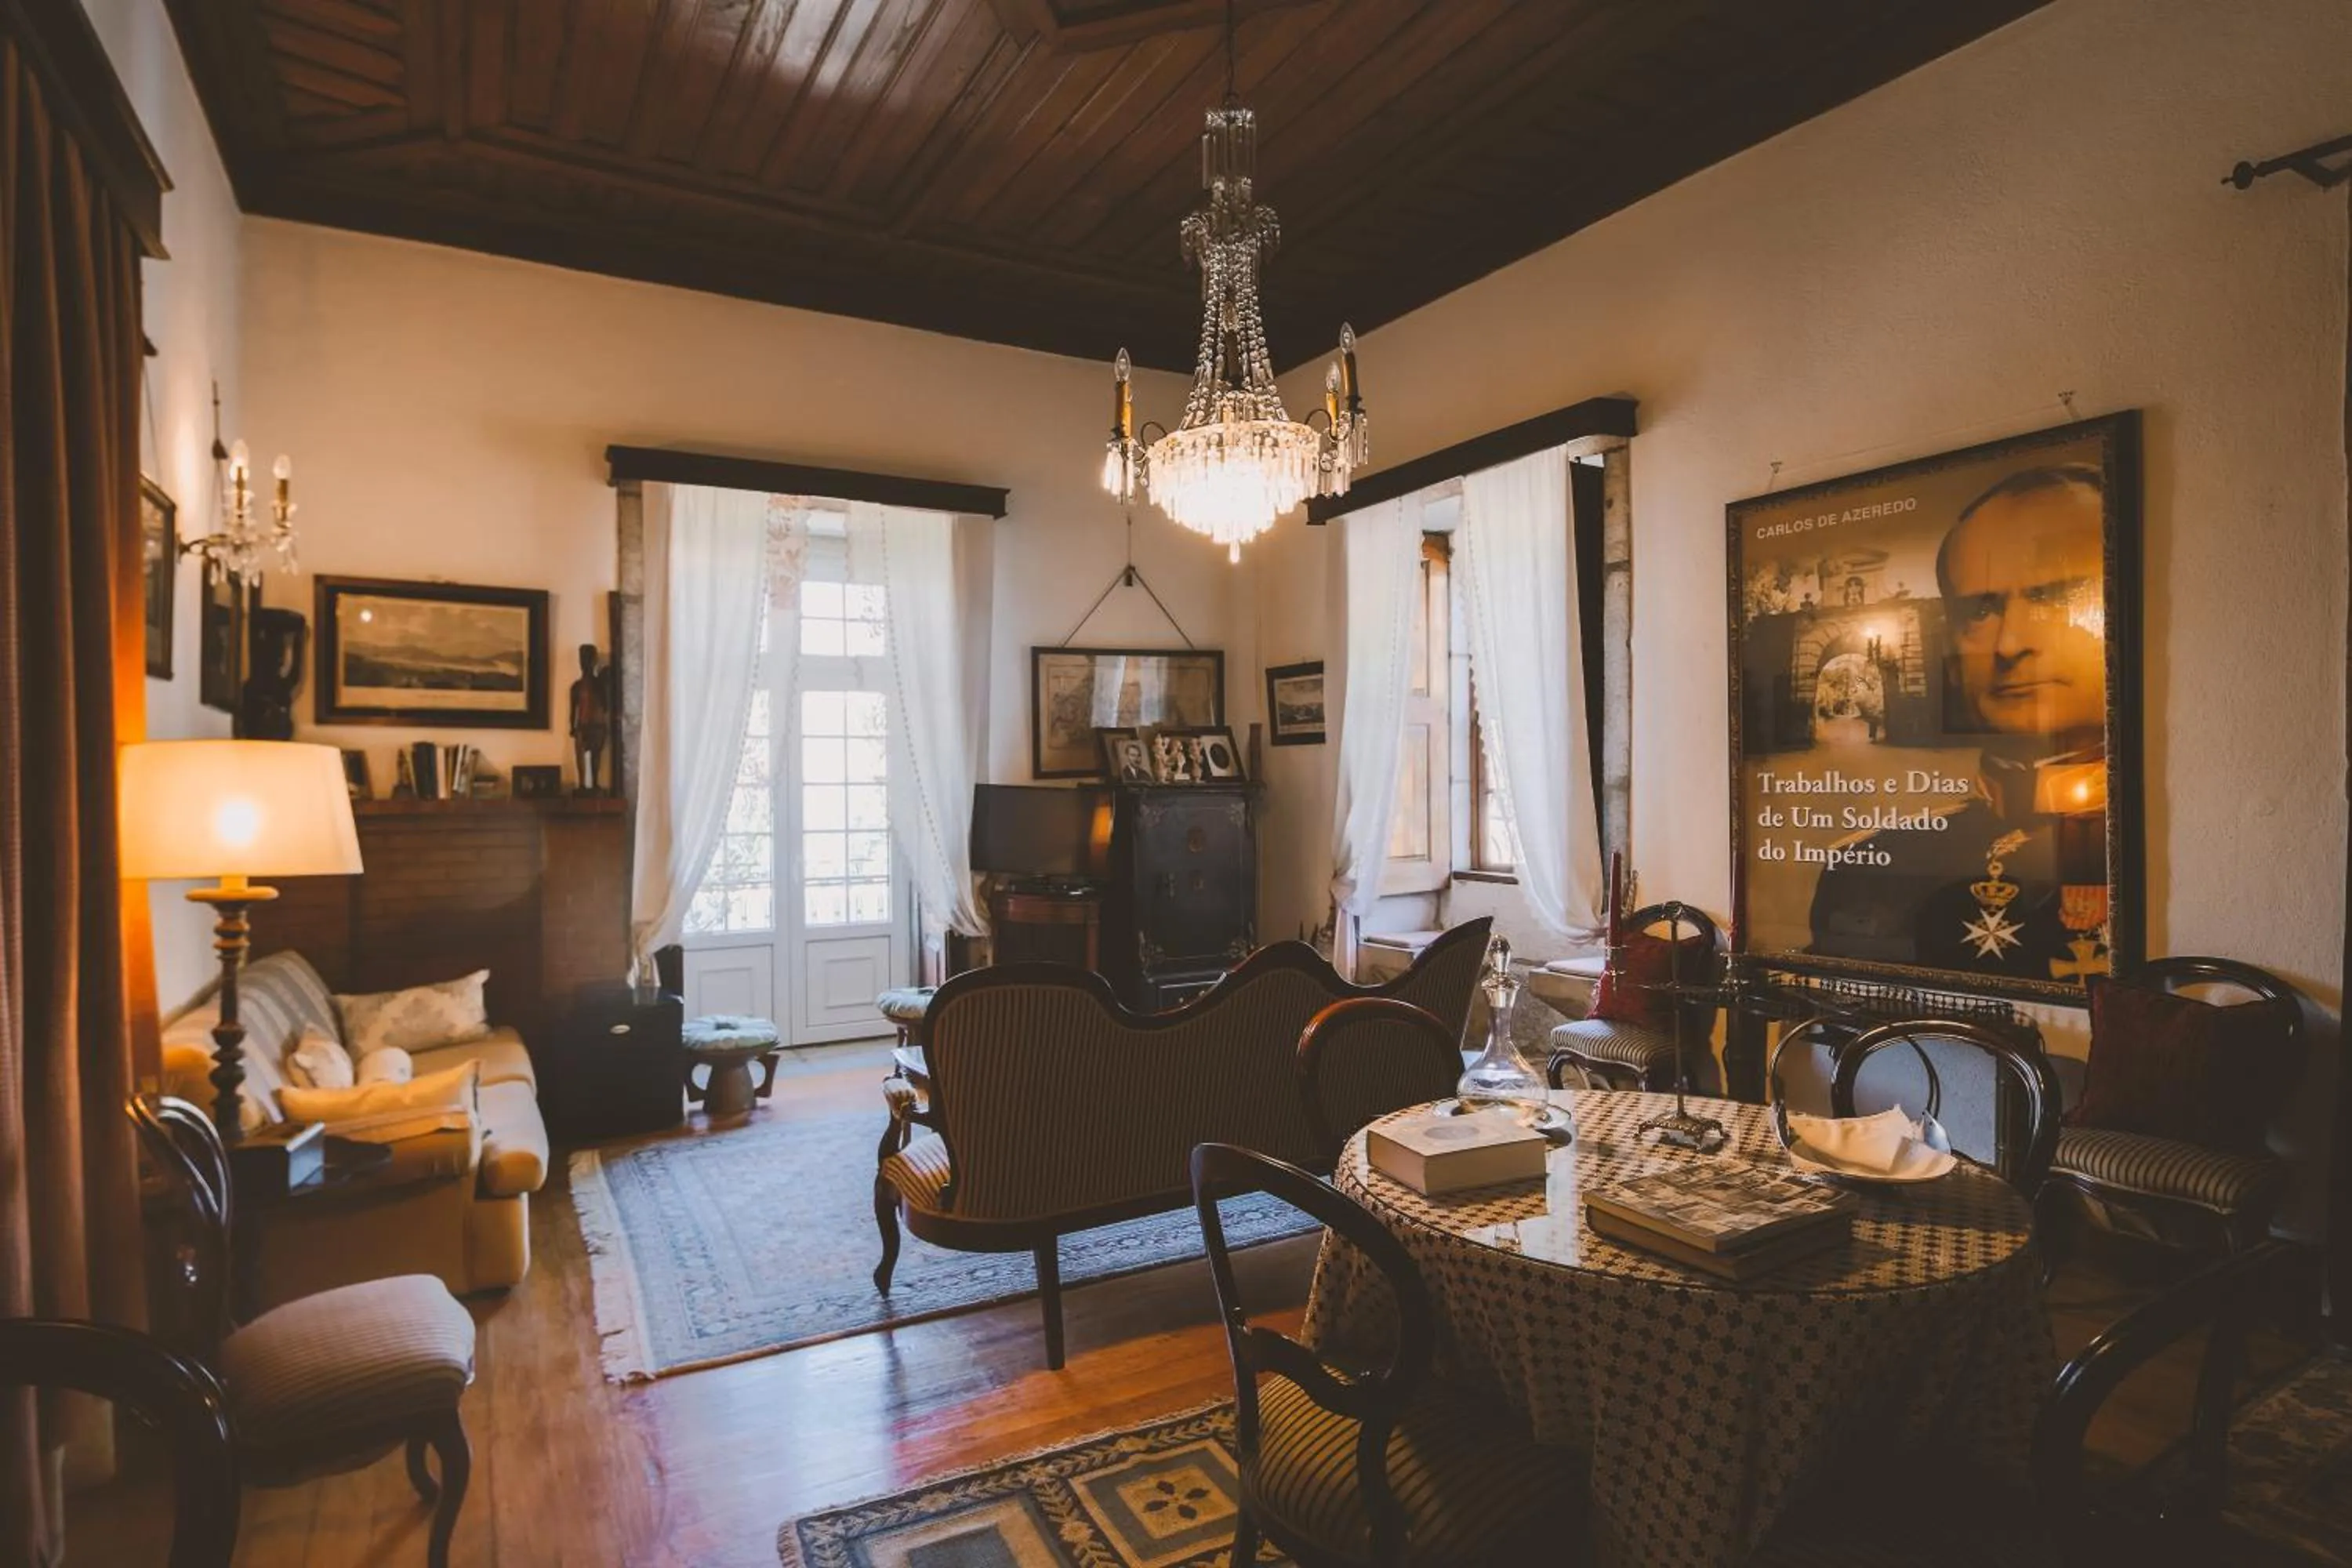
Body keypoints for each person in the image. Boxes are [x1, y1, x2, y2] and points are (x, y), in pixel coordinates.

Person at [1808, 463, 2111, 982]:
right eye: (1979, 611)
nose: (2011, 643)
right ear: (1950, 640)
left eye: (2053, 596)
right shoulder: (1868, 864)